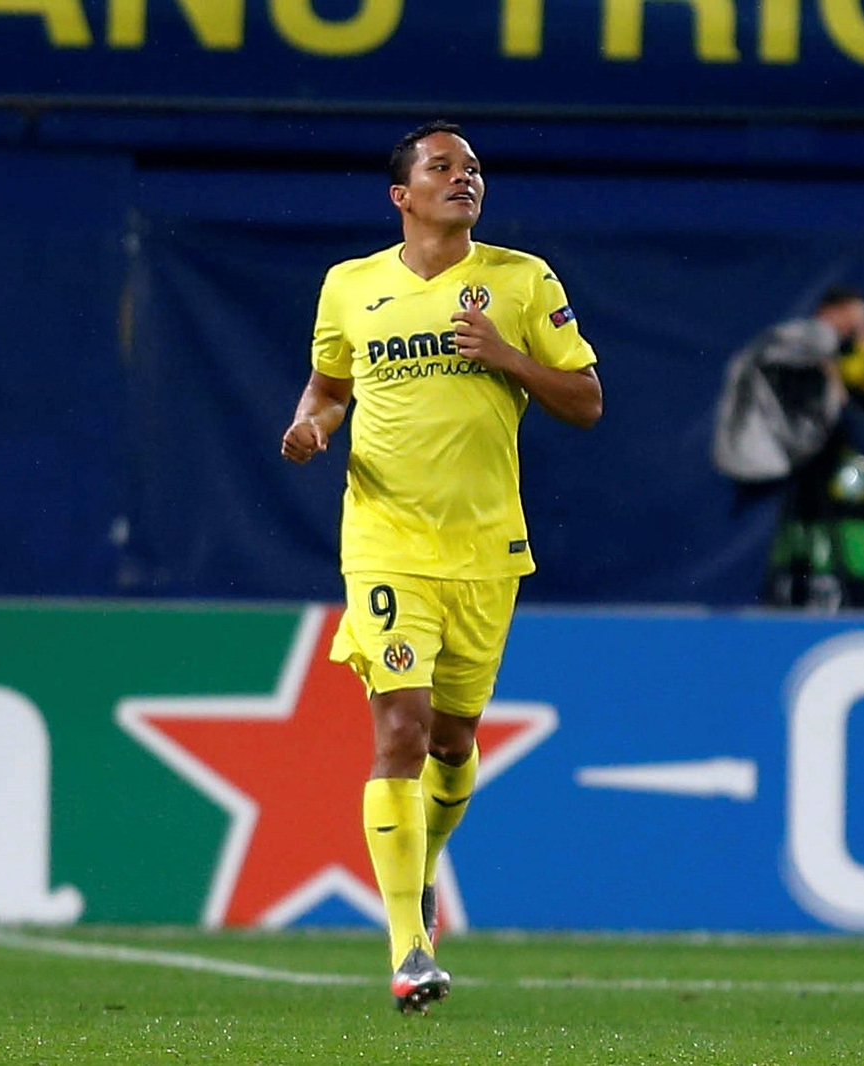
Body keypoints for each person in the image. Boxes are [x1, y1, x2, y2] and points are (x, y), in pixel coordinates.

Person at [279, 121, 603, 1012]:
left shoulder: (522, 279)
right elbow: (330, 384)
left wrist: (504, 355)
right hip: (385, 539)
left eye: (473, 168)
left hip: (486, 550)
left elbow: (586, 400)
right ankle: (409, 948)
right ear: (402, 195)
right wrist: (313, 426)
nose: (465, 178)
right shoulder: (351, 286)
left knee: (455, 742)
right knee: (400, 735)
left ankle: (422, 864)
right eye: (443, 167)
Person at [714, 286, 864, 609]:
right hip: (800, 593)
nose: (836, 346)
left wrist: (843, 412)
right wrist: (750, 403)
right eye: (826, 336)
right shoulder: (798, 399)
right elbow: (752, 481)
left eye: (848, 335)